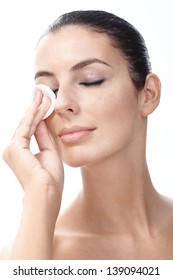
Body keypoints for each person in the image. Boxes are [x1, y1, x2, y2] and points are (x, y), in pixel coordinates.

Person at [1, 10, 173, 260]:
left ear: (148, 94)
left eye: (90, 80)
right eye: (51, 89)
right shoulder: (34, 250)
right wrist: (40, 193)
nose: (61, 104)